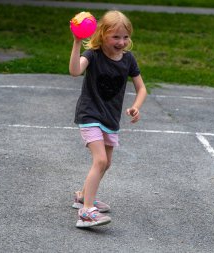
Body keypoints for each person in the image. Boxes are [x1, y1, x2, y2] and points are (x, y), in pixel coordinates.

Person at [69, 10, 147, 228]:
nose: (121, 42)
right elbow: (75, 71)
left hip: (110, 119)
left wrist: (135, 107)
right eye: (116, 37)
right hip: (90, 114)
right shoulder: (93, 55)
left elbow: (142, 89)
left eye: (125, 37)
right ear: (102, 34)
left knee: (107, 163)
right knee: (100, 160)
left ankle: (83, 196)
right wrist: (77, 42)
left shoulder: (128, 59)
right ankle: (86, 213)